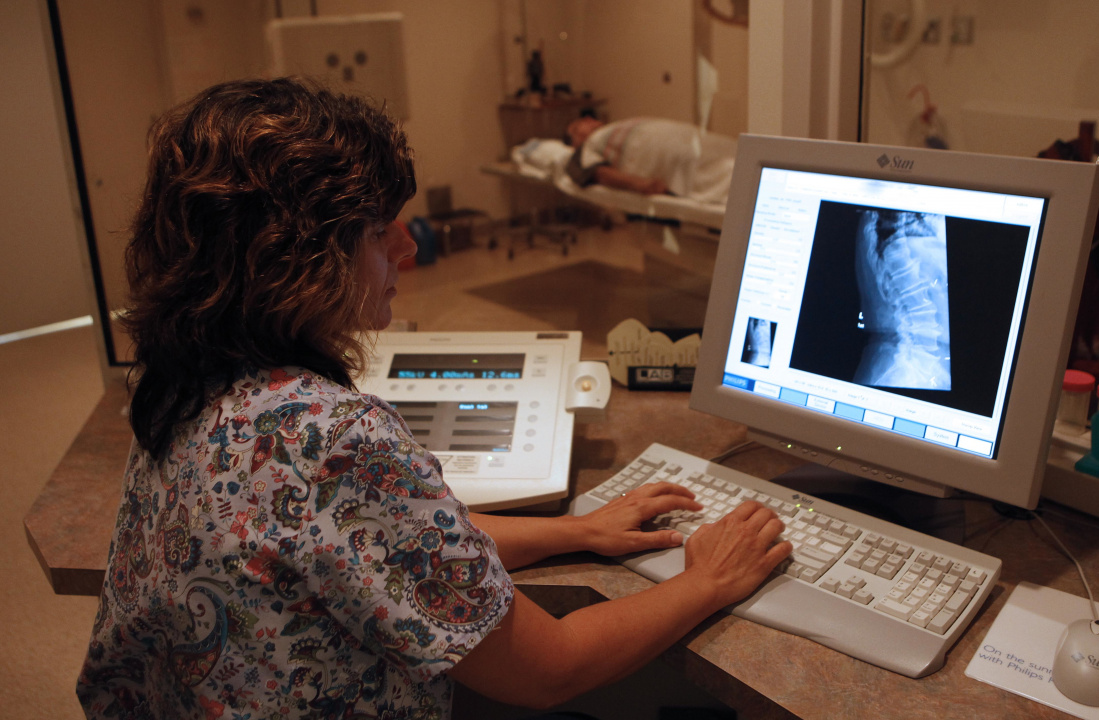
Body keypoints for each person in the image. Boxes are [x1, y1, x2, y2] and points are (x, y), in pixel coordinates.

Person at [76, 77, 791, 719]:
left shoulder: (181, 382)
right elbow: (550, 669)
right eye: (380, 228)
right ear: (295, 256)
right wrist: (707, 581)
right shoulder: (334, 441)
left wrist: (578, 532)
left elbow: (388, 544)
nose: (408, 249)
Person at [565, 116, 736, 203]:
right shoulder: (587, 146)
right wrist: (640, 184)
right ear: (575, 142)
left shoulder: (617, 126)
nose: (589, 119)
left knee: (728, 150)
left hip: (687, 136)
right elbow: (599, 173)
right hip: (668, 152)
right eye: (580, 124)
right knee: (720, 169)